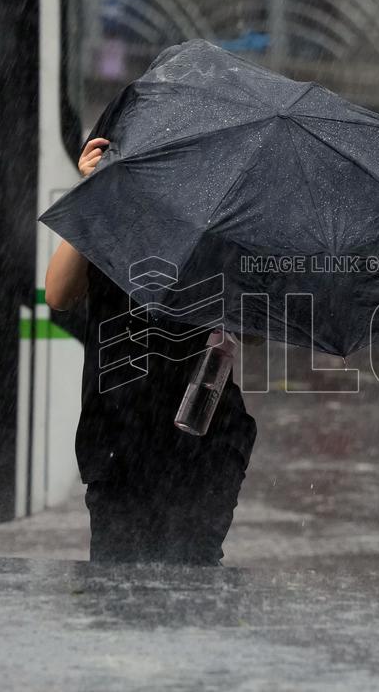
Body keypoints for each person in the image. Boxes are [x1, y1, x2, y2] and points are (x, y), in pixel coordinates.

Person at [45, 136, 257, 566]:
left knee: (193, 584)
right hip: (118, 440)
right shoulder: (109, 216)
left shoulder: (221, 223)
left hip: (202, 438)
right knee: (116, 588)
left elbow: (254, 332)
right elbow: (59, 294)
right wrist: (91, 194)